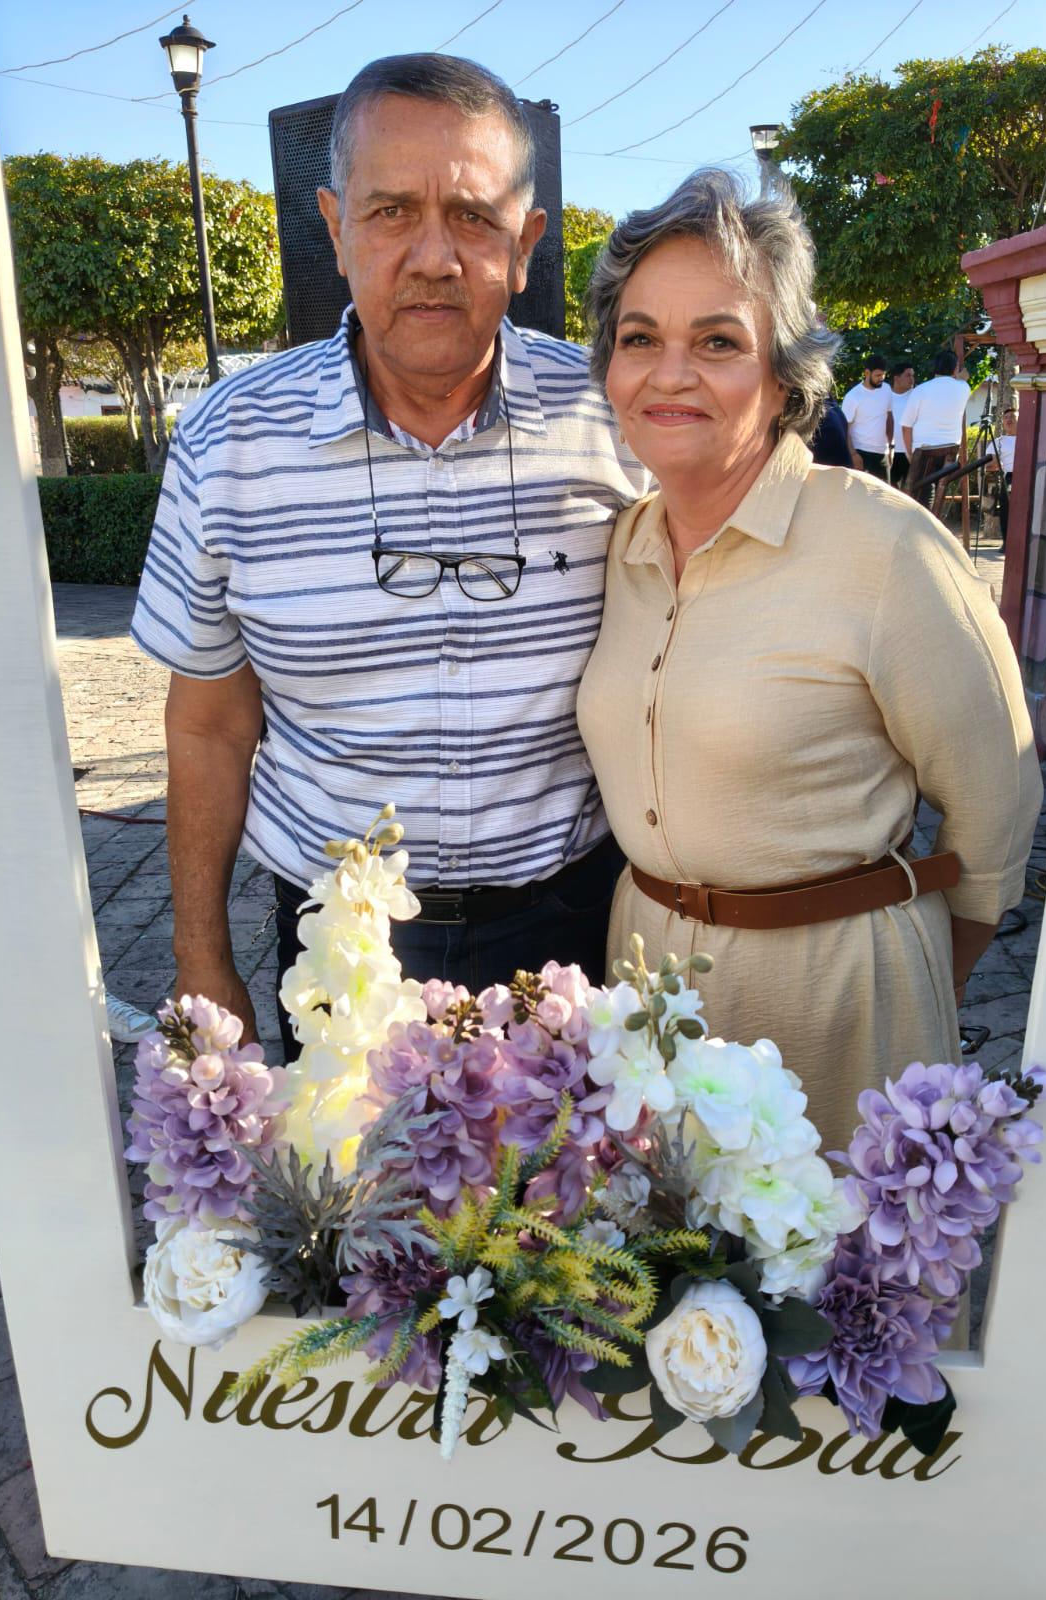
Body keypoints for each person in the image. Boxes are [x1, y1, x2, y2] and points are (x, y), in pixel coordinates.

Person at [131, 54, 649, 1061]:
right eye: (391, 212)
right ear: (334, 228)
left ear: (527, 242)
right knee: (348, 1169)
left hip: (569, 935)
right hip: (336, 946)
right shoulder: (230, 442)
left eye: (473, 216)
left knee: (564, 1171)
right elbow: (208, 722)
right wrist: (201, 956)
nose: (433, 257)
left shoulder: (616, 419)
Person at [577, 170, 1041, 1155]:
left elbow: (995, 808)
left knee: (837, 1252)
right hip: (647, 991)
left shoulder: (886, 549)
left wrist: (918, 981)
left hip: (837, 1004)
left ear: (784, 376)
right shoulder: (618, 549)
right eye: (640, 339)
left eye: (718, 342)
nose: (669, 373)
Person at [902, 350, 972, 516]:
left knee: (921, 495)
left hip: (924, 450)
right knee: (938, 492)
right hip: (950, 450)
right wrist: (959, 375)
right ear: (955, 368)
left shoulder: (920, 390)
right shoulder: (964, 388)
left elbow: (906, 426)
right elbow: (962, 379)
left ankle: (923, 524)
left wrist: (909, 453)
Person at [841, 355, 892, 480]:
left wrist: (891, 447)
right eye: (878, 375)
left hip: (882, 453)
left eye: (883, 375)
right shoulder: (853, 396)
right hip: (860, 452)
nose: (881, 378)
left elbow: (889, 418)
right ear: (867, 373)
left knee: (884, 492)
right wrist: (853, 454)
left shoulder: (887, 389)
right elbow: (844, 427)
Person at [986, 405, 1018, 543]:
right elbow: (988, 466)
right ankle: (1007, 543)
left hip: (1027, 476)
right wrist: (997, 464)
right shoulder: (998, 442)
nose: (1009, 419)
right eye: (1006, 417)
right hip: (1009, 476)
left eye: (1012, 417)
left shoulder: (1028, 438)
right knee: (1006, 508)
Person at [887, 361, 915, 491]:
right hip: (890, 452)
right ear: (896, 378)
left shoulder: (916, 395)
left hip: (911, 452)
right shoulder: (885, 395)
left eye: (913, 375)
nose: (912, 379)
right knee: (890, 492)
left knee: (912, 492)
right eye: (908, 375)